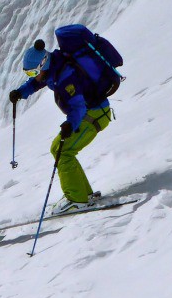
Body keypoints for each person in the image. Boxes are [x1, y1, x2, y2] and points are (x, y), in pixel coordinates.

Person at [9, 37, 115, 214]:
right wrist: (21, 92)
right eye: (29, 73)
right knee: (62, 150)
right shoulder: (54, 69)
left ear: (43, 63)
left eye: (33, 72)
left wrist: (70, 125)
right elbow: (37, 83)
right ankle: (84, 195)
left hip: (93, 115)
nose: (33, 76)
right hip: (92, 113)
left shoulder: (65, 76)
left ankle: (77, 199)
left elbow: (78, 106)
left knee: (62, 150)